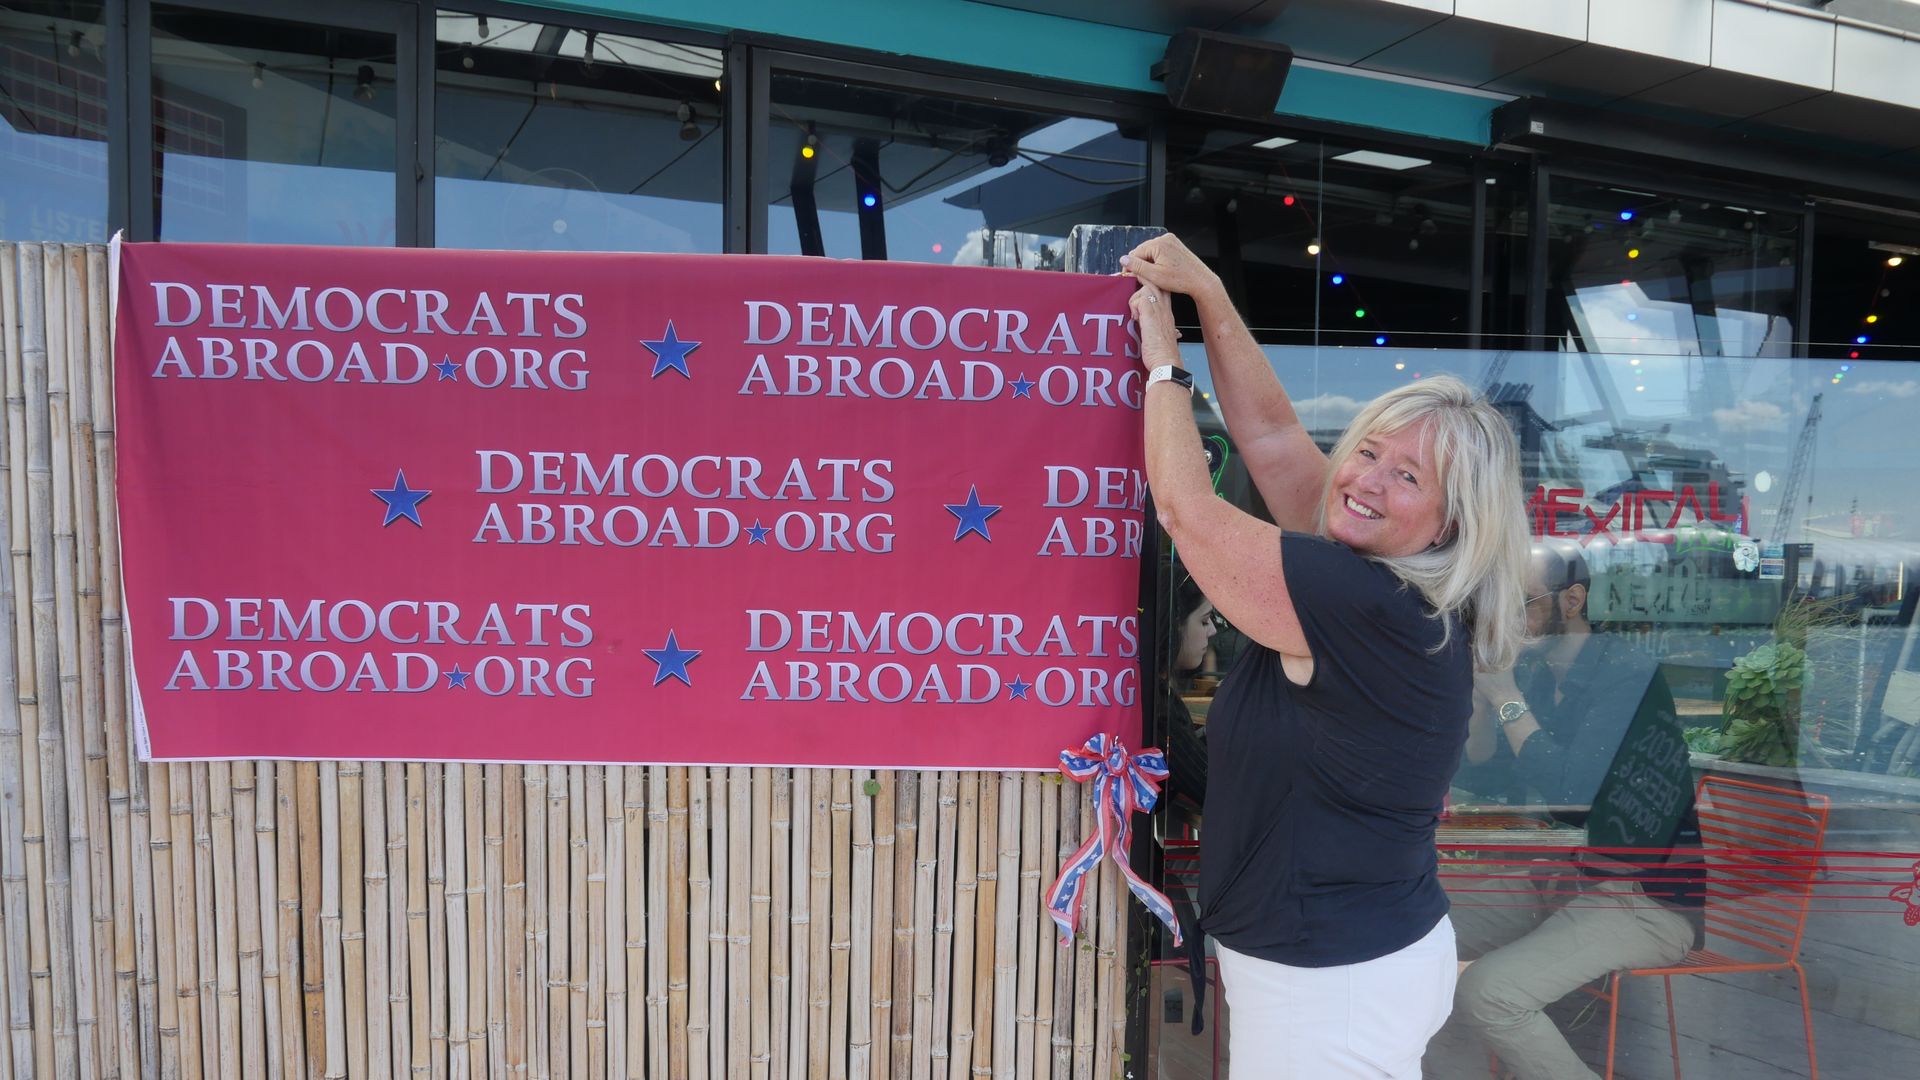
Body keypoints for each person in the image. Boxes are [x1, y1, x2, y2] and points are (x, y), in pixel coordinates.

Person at [1124, 232, 1530, 1078]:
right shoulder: (1376, 579)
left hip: (1334, 981)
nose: (1368, 481)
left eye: (1408, 478)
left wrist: (1163, 359)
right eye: (1370, 452)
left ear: (1452, 522)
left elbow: (1186, 511)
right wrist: (1211, 296)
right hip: (1343, 960)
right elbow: (1270, 438)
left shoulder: (1360, 601)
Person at [1448, 542, 1702, 1080]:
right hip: (1561, 879)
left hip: (1646, 901)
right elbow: (1483, 773)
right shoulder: (1538, 674)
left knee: (1489, 993)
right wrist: (1477, 694)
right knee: (1415, 927)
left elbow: (1571, 790)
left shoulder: (1626, 674)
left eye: (1520, 602)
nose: (1506, 619)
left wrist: (1506, 697)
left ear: (1572, 600)